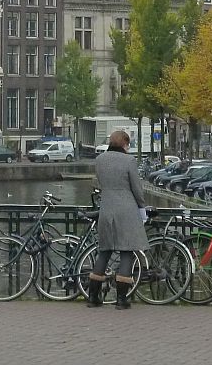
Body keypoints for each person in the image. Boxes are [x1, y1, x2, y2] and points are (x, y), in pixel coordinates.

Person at [88, 129, 148, 310]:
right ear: (124, 144)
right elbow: (136, 187)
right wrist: (142, 206)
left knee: (104, 251)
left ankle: (93, 297)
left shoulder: (100, 160)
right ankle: (121, 300)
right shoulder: (129, 160)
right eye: (128, 144)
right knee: (126, 250)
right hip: (126, 209)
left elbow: (99, 182)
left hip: (106, 208)